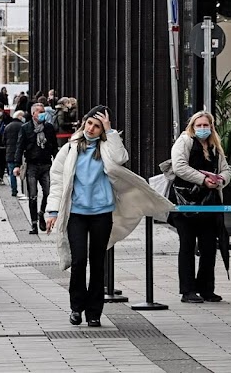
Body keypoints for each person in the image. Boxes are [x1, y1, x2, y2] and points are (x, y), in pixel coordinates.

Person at [46, 105, 172, 327]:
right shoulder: (70, 148)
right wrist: (53, 211)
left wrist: (110, 131)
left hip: (102, 213)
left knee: (97, 262)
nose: (92, 129)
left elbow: (120, 158)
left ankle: (94, 312)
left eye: (97, 126)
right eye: (89, 124)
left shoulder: (107, 147)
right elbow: (57, 180)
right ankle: (76, 307)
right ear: (83, 123)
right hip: (76, 213)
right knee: (78, 261)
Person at [169, 111, 231, 303]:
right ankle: (187, 290)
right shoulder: (185, 141)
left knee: (209, 246)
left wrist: (219, 181)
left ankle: (206, 288)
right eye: (199, 125)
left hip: (210, 204)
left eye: (206, 125)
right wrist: (203, 179)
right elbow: (179, 166)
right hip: (186, 203)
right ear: (192, 127)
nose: (203, 129)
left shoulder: (215, 147)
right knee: (187, 245)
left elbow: (226, 170)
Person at [15, 102, 59, 233]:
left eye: (43, 111)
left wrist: (58, 162)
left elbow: (54, 146)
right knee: (33, 196)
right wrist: (16, 165)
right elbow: (19, 147)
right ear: (33, 113)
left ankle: (41, 213)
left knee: (48, 193)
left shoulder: (49, 128)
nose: (42, 114)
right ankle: (34, 224)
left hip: (46, 164)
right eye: (39, 111)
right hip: (32, 166)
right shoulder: (26, 128)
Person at [4, 109, 25, 197]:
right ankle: (24, 190)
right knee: (23, 171)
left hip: (10, 152)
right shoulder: (23, 126)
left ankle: (14, 190)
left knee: (12, 173)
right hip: (21, 153)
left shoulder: (8, 126)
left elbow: (3, 140)